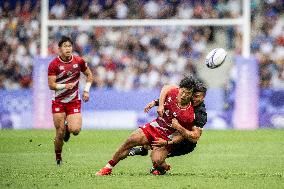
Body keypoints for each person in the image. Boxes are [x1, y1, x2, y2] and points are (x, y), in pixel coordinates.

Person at [96, 76, 196, 176]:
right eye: (182, 91)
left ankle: (161, 167)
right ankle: (107, 168)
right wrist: (159, 104)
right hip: (156, 126)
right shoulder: (173, 92)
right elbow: (165, 88)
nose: (183, 95)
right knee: (130, 140)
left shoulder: (189, 114)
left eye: (187, 94)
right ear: (179, 89)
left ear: (191, 94)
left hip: (166, 137)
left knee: (157, 161)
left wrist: (167, 142)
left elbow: (183, 134)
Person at [130, 80, 207, 175]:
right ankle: (146, 151)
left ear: (203, 97)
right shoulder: (187, 99)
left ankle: (158, 165)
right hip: (172, 133)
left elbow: (195, 137)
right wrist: (156, 102)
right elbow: (169, 90)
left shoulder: (200, 114)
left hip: (184, 144)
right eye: (193, 95)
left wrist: (179, 127)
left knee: (157, 157)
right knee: (154, 136)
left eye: (197, 96)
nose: (193, 98)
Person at [48, 36, 93, 165]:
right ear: (59, 49)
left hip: (73, 101)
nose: (68, 48)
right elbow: (51, 85)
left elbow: (89, 75)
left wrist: (86, 90)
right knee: (59, 132)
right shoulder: (54, 64)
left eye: (69, 46)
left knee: (76, 130)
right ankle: (58, 157)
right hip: (58, 101)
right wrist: (64, 86)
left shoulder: (79, 61)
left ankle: (68, 128)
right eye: (65, 46)